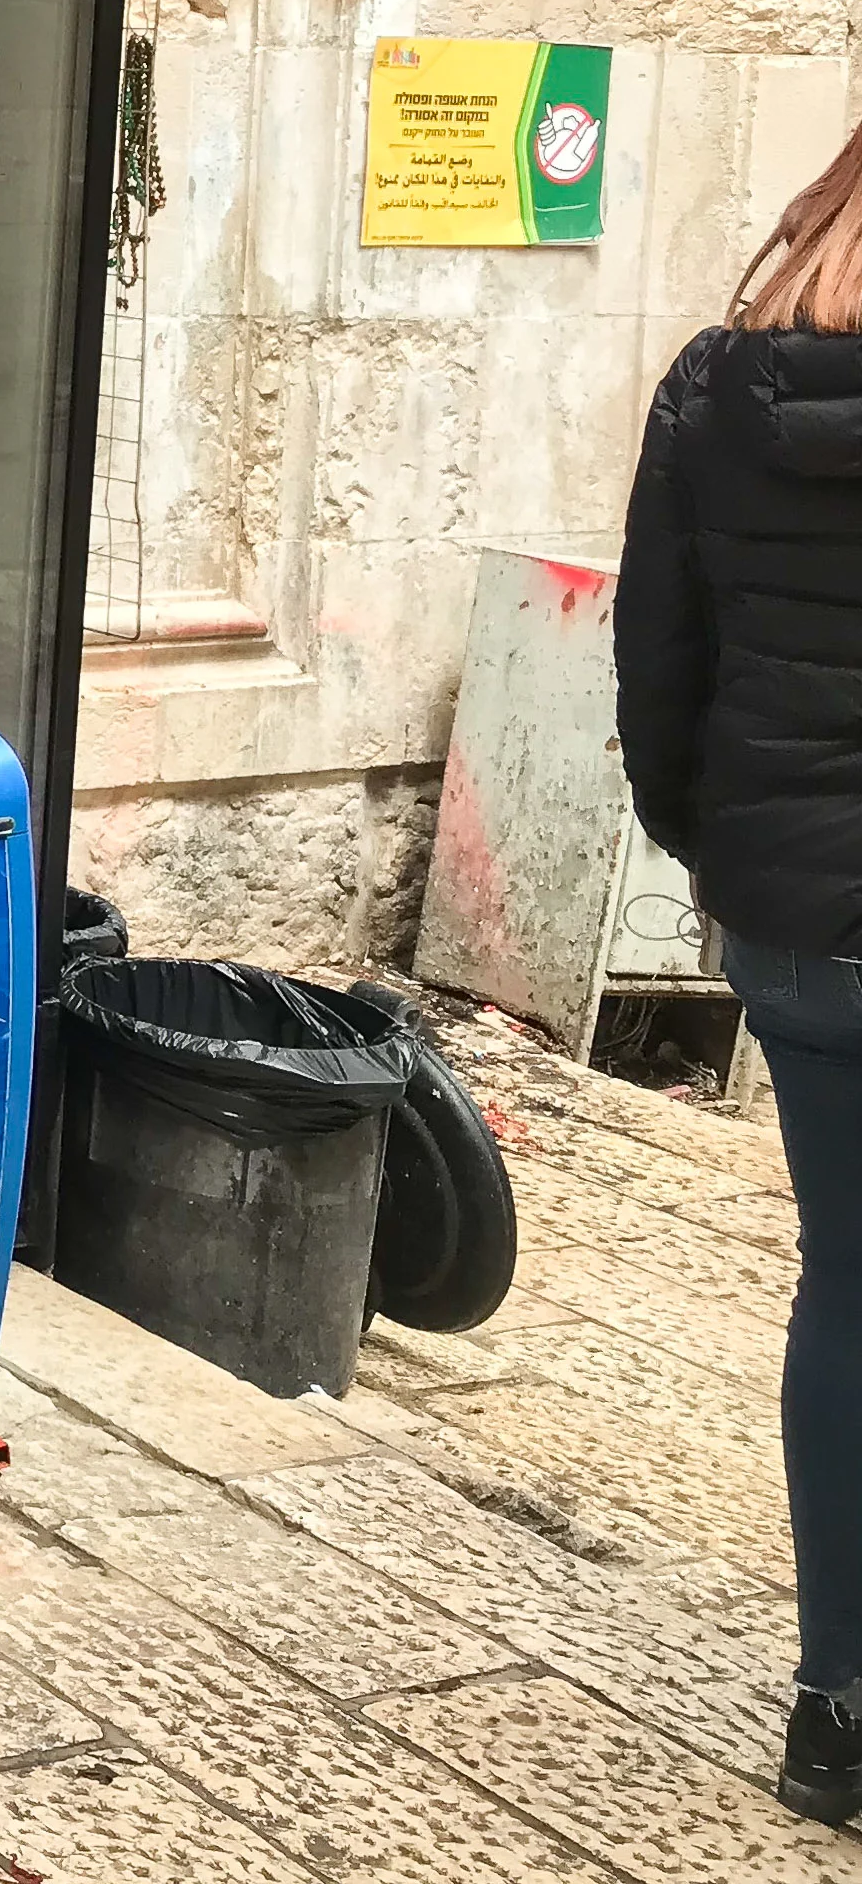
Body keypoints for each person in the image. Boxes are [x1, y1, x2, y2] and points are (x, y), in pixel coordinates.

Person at [618, 122, 862, 1826]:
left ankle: (837, 1707)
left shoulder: (720, 387)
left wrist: (729, 859)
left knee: (845, 1288)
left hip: (801, 924)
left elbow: (657, 663)